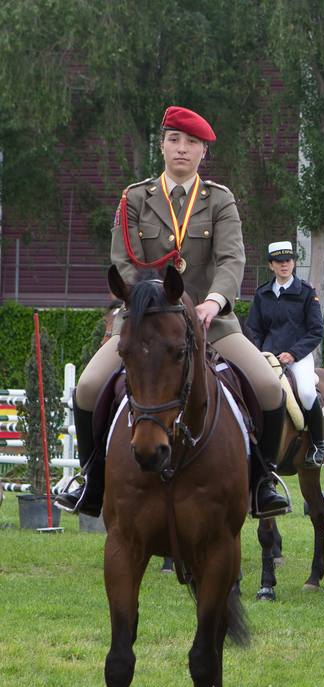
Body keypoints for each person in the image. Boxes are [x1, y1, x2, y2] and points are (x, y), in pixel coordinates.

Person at [56, 106, 289, 518]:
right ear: (161, 146)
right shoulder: (134, 198)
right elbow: (123, 264)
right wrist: (147, 305)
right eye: (174, 140)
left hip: (209, 322)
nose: (183, 149)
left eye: (192, 142)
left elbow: (232, 260)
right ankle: (92, 483)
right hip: (145, 323)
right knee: (88, 388)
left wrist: (214, 301)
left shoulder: (220, 200)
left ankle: (262, 482)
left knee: (269, 389)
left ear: (203, 152)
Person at [246, 242, 324, 467]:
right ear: (271, 265)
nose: (284, 265)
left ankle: (319, 445)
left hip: (298, 356)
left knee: (308, 393)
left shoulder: (307, 292)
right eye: (279, 262)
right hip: (268, 357)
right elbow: (253, 329)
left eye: (288, 261)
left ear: (293, 263)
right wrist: (261, 353)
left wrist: (293, 353)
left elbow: (316, 330)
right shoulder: (262, 293)